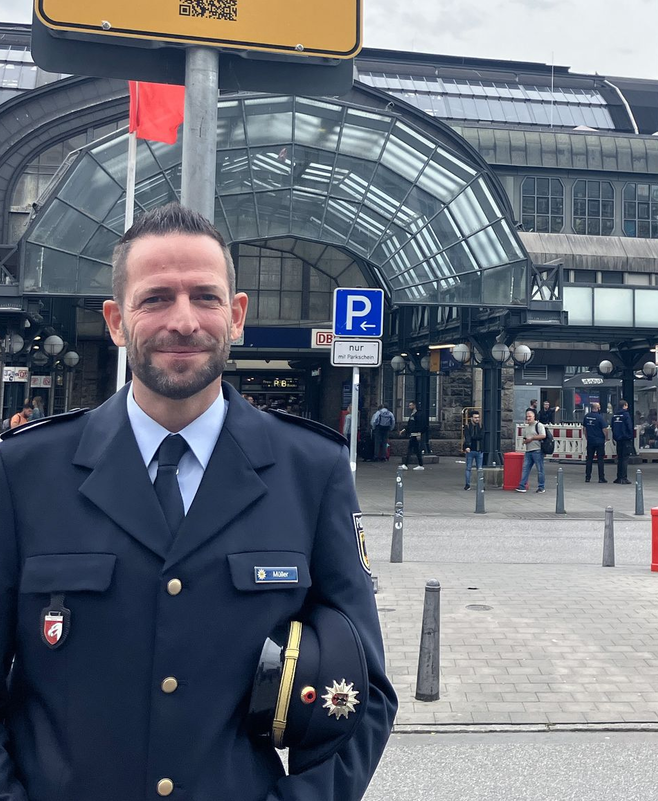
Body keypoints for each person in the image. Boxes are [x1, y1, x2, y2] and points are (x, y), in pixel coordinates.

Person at [0, 203, 396, 798]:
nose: (184, 322)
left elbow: (366, 692)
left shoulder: (309, 471)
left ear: (236, 316)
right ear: (115, 320)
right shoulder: (24, 472)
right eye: (156, 298)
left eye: (205, 297)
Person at [515, 408, 547, 493]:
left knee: (540, 469)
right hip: (528, 450)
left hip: (537, 450)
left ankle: (541, 486)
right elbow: (525, 438)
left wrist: (532, 438)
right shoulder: (527, 427)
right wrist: (525, 441)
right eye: (527, 416)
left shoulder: (539, 425)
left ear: (534, 416)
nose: (528, 418)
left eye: (530, 416)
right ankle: (522, 486)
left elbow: (543, 435)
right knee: (525, 468)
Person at [583, 400, 608, 483]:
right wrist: (606, 438)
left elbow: (584, 429)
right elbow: (604, 429)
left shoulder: (586, 416)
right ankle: (601, 478)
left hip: (590, 441)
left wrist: (587, 437)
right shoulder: (600, 417)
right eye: (599, 407)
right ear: (597, 408)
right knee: (600, 460)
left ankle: (587, 477)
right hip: (599, 441)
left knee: (589, 459)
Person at [611, 399, 635, 484]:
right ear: (624, 405)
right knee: (625, 459)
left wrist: (614, 436)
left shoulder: (614, 416)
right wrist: (630, 436)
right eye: (627, 405)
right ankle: (624, 478)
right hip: (625, 439)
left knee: (620, 458)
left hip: (618, 439)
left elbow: (612, 427)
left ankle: (618, 477)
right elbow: (629, 426)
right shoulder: (626, 415)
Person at [462, 409, 484, 490]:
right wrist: (468, 445)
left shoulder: (481, 426)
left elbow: (481, 436)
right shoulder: (467, 426)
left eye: (478, 417)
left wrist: (472, 437)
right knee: (468, 468)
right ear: (471, 418)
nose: (477, 419)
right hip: (470, 450)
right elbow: (467, 437)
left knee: (479, 469)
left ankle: (480, 485)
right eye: (475, 418)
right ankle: (467, 484)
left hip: (479, 450)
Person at [400, 402, 425, 470]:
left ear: (414, 405)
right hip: (413, 434)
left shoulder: (417, 415)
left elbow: (419, 424)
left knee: (410, 449)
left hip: (415, 434)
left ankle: (406, 464)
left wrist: (419, 433)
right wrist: (404, 430)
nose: (409, 407)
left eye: (410, 405)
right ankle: (420, 464)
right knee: (416, 450)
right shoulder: (413, 414)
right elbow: (410, 424)